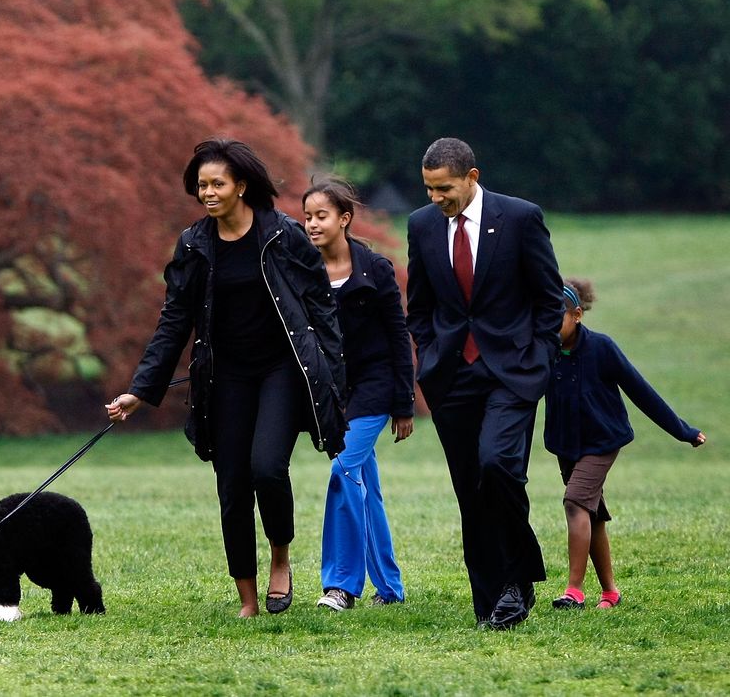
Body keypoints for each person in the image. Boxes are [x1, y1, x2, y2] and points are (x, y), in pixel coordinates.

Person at [106, 138, 347, 618]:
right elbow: (174, 320)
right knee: (232, 483)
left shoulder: (283, 236)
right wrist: (141, 389)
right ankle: (248, 599)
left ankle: (280, 556)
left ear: (241, 185)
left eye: (217, 183)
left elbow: (322, 309)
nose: (208, 193)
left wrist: (331, 374)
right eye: (201, 186)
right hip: (225, 377)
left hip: (281, 369)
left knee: (266, 468)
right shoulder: (194, 244)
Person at [405, 137, 563, 630]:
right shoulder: (422, 225)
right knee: (469, 489)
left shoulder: (519, 217)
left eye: (444, 188)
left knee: (497, 467)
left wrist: (536, 359)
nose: (435, 198)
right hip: (451, 377)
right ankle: (491, 599)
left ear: (472, 177)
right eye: (429, 189)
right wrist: (429, 354)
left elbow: (548, 297)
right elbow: (421, 307)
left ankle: (516, 582)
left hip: (511, 373)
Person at [544, 277, 707, 611]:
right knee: (593, 515)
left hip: (602, 441)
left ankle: (573, 591)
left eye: (555, 318)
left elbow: (641, 391)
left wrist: (683, 431)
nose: (547, 325)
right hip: (566, 446)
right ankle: (611, 593)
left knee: (575, 502)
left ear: (577, 315)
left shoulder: (602, 348)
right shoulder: (543, 352)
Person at [302, 177, 415, 611]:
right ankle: (390, 588)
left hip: (375, 388)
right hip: (333, 392)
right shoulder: (302, 272)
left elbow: (398, 336)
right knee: (364, 482)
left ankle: (341, 586)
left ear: (344, 219)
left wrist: (403, 404)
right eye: (308, 216)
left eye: (321, 216)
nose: (312, 224)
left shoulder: (376, 269)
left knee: (343, 473)